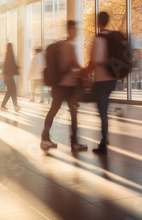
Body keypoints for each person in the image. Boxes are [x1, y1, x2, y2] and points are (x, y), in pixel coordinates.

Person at [41, 21, 87, 152]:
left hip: (58, 85)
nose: (76, 32)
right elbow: (74, 65)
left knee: (54, 110)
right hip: (67, 86)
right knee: (72, 113)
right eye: (74, 29)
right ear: (69, 30)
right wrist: (85, 74)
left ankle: (45, 139)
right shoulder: (69, 46)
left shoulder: (61, 46)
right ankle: (74, 143)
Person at [85, 11, 118, 155]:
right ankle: (105, 138)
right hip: (112, 80)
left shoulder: (99, 39)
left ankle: (104, 142)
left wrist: (84, 72)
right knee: (104, 111)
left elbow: (95, 61)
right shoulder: (112, 37)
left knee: (102, 113)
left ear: (98, 21)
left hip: (102, 81)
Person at [0, 43, 20, 112]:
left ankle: (14, 106)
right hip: (9, 77)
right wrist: (17, 68)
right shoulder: (10, 55)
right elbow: (12, 65)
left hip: (7, 77)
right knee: (12, 91)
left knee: (11, 91)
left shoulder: (7, 55)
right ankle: (13, 106)